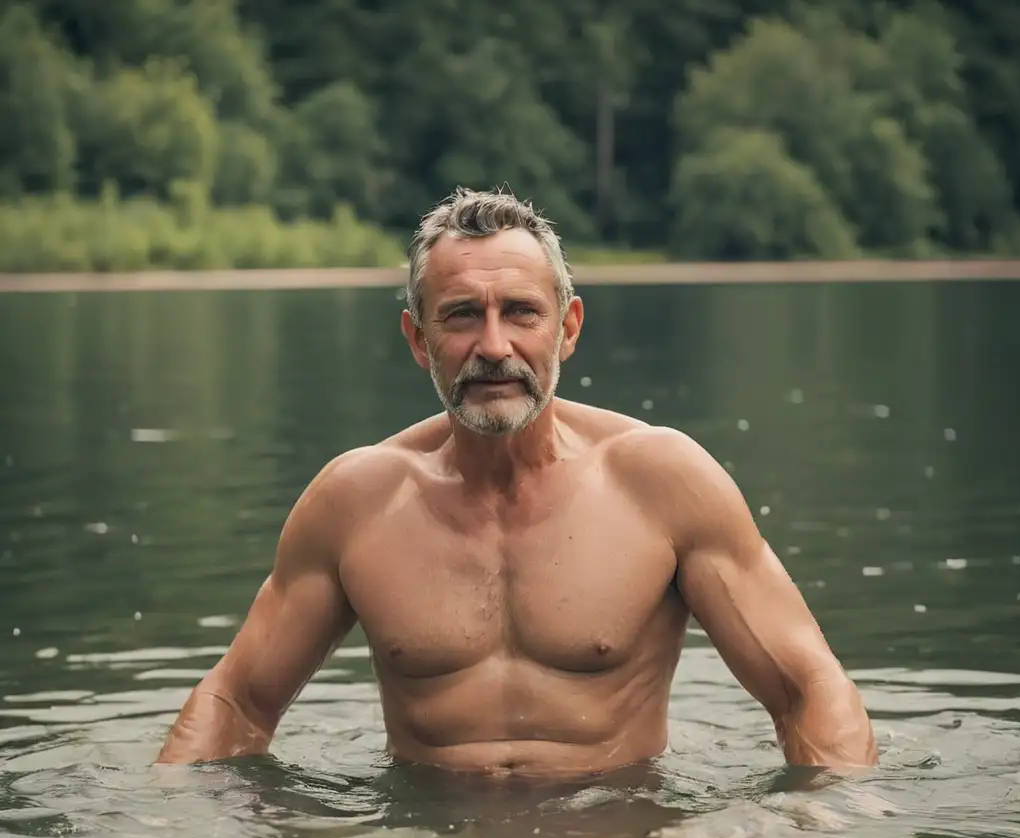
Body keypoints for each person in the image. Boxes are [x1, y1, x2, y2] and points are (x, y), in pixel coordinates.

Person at [158, 187, 877, 776]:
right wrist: (167, 831)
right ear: (418, 339)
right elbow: (238, 702)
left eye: (521, 313)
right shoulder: (356, 502)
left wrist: (818, 837)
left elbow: (809, 688)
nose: (494, 347)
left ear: (567, 328)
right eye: (463, 316)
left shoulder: (663, 482)